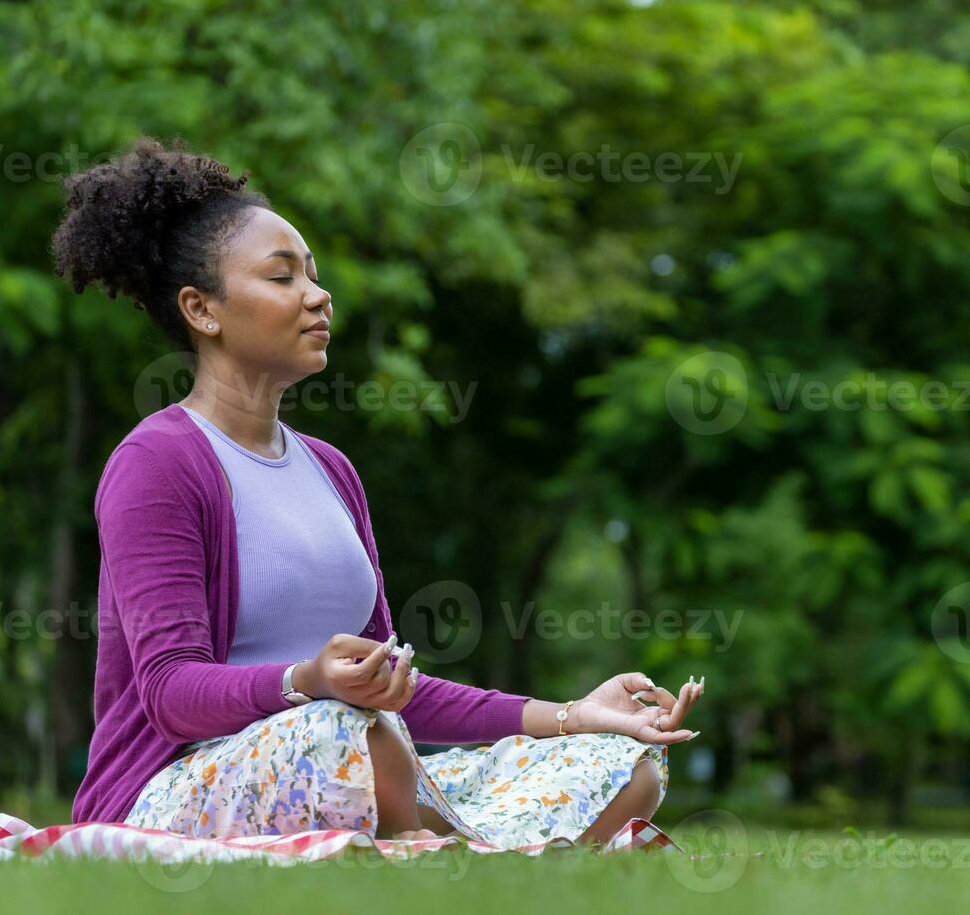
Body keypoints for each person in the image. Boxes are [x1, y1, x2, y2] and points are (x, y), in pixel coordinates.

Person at [52, 136, 704, 846]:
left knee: (623, 763)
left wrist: (574, 713)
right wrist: (307, 680)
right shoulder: (159, 461)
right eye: (283, 278)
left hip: (360, 754)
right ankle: (464, 851)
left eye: (314, 276)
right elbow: (171, 693)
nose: (318, 295)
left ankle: (445, 849)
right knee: (349, 731)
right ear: (202, 310)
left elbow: (394, 688)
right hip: (180, 790)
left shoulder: (331, 470)